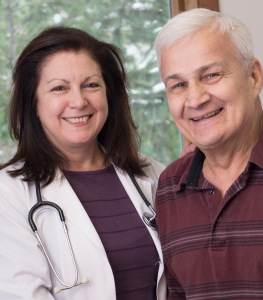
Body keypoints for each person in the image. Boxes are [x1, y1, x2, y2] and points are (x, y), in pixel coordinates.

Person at [0, 26, 167, 300]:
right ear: (33, 103)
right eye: (59, 88)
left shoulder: (153, 174)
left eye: (91, 85)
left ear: (108, 94)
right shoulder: (8, 193)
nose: (78, 101)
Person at [154, 8, 263, 299]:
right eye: (178, 85)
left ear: (253, 76)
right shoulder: (169, 186)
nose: (195, 99)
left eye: (211, 75)